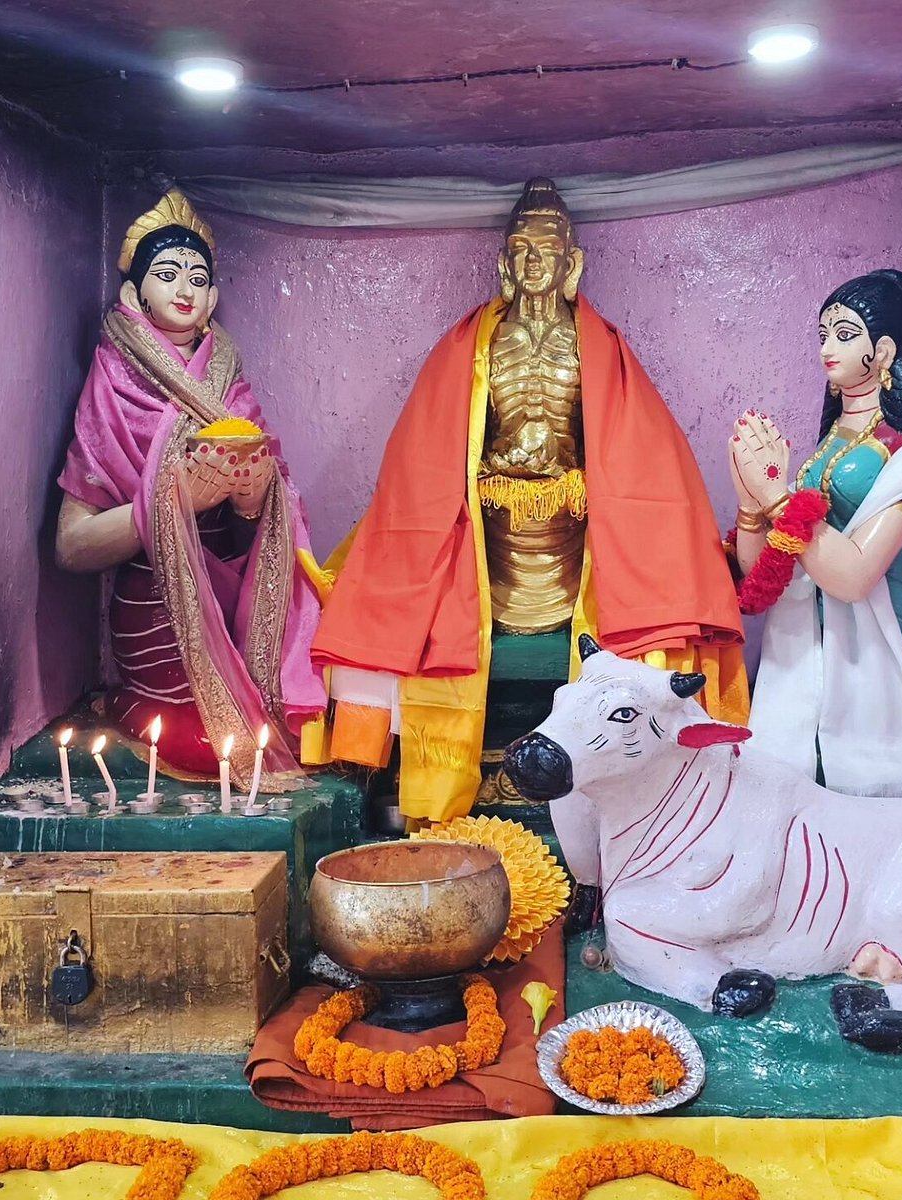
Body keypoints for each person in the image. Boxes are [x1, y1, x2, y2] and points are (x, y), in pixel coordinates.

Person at [306, 178, 747, 823]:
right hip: (493, 560)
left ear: (573, 264)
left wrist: (568, 477)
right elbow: (431, 464)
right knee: (382, 606)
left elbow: (635, 461)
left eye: (548, 249)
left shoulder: (599, 351)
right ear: (504, 263)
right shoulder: (472, 350)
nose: (534, 261)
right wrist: (496, 472)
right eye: (521, 249)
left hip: (570, 563)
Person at [55, 190, 325, 785]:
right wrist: (174, 502)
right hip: (156, 605)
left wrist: (253, 497)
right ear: (136, 293)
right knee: (214, 744)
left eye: (198, 278)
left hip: (231, 600)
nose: (185, 289)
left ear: (213, 298)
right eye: (167, 274)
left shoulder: (229, 381)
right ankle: (123, 701)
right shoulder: (112, 382)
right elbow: (70, 546)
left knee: (289, 722)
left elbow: (264, 515)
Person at [729, 268, 902, 796]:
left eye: (846, 335)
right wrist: (750, 503)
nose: (827, 348)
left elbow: (852, 578)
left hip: (886, 644)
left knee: (855, 749)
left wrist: (777, 496)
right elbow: (764, 571)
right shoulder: (832, 438)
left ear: (884, 351)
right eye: (824, 334)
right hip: (817, 645)